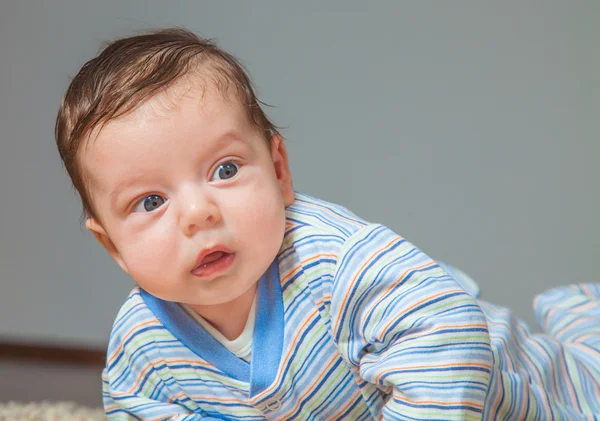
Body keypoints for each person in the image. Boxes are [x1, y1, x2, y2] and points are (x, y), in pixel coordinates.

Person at [55, 28, 600, 420]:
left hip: (521, 391)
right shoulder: (142, 347)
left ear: (278, 171)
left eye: (224, 170)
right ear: (113, 247)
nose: (199, 213)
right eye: (150, 202)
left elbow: (450, 336)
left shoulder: (331, 260)